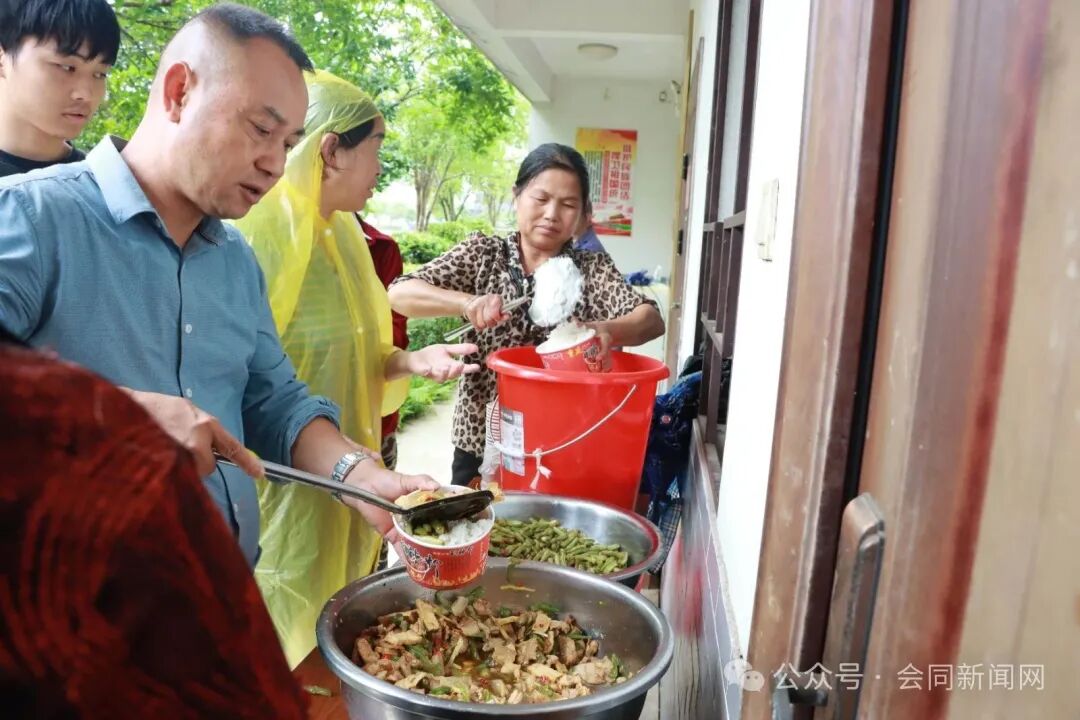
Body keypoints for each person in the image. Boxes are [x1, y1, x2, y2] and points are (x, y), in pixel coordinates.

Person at [0, 4, 440, 572]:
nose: (274, 164)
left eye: (288, 143)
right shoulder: (30, 218)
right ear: (180, 92)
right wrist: (110, 414)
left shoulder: (235, 261)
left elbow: (273, 398)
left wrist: (360, 476)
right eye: (261, 129)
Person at [235, 70, 478, 666]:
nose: (380, 170)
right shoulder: (257, 237)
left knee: (340, 632)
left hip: (354, 477)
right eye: (376, 151)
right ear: (330, 150)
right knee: (276, 639)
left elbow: (355, 354)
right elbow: (247, 379)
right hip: (287, 490)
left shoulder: (344, 237)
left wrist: (410, 360)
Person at [0, 324, 307, 719]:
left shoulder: (240, 269)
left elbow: (275, 398)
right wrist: (122, 406)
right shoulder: (74, 417)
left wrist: (355, 472)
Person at [389, 143, 666, 486]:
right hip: (480, 437)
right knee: (480, 529)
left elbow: (650, 319)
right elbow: (400, 293)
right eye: (541, 198)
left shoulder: (590, 269)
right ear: (516, 196)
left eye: (568, 205)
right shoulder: (483, 254)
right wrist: (467, 304)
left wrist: (607, 330)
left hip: (564, 442)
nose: (552, 214)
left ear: (582, 215)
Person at [0, 0, 120, 177]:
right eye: (66, 67)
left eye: (100, 74)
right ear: (2, 59)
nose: (85, 94)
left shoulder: (102, 186)